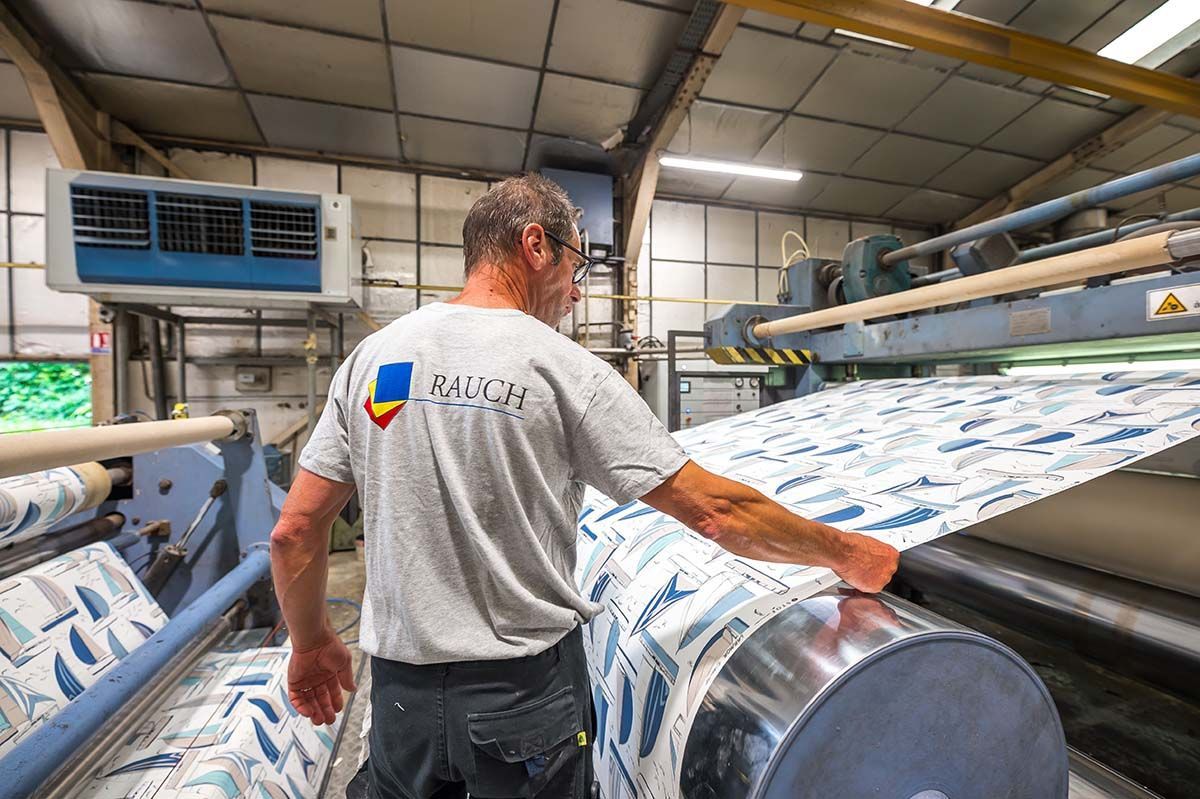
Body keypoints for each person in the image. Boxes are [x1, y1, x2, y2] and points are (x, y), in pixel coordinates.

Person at [269, 173, 899, 799]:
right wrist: (848, 552)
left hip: (401, 697)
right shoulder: (567, 370)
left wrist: (312, 642)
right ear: (535, 245)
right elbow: (716, 511)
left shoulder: (374, 360)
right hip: (521, 699)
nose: (575, 292)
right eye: (576, 267)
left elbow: (295, 532)